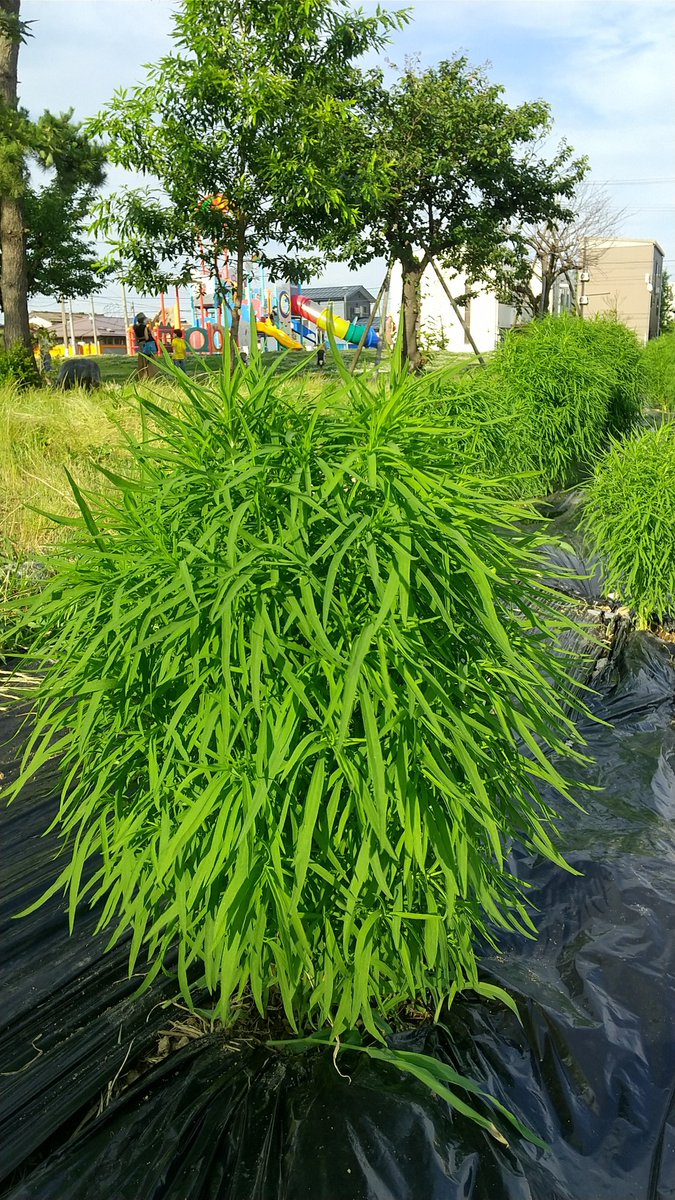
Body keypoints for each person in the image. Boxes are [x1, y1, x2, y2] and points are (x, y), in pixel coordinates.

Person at [132, 312, 158, 379]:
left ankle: (142, 376)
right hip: (147, 345)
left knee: (141, 361)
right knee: (150, 361)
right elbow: (146, 337)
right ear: (144, 319)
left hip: (140, 345)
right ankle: (151, 376)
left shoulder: (135, 327)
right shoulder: (144, 327)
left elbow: (136, 338)